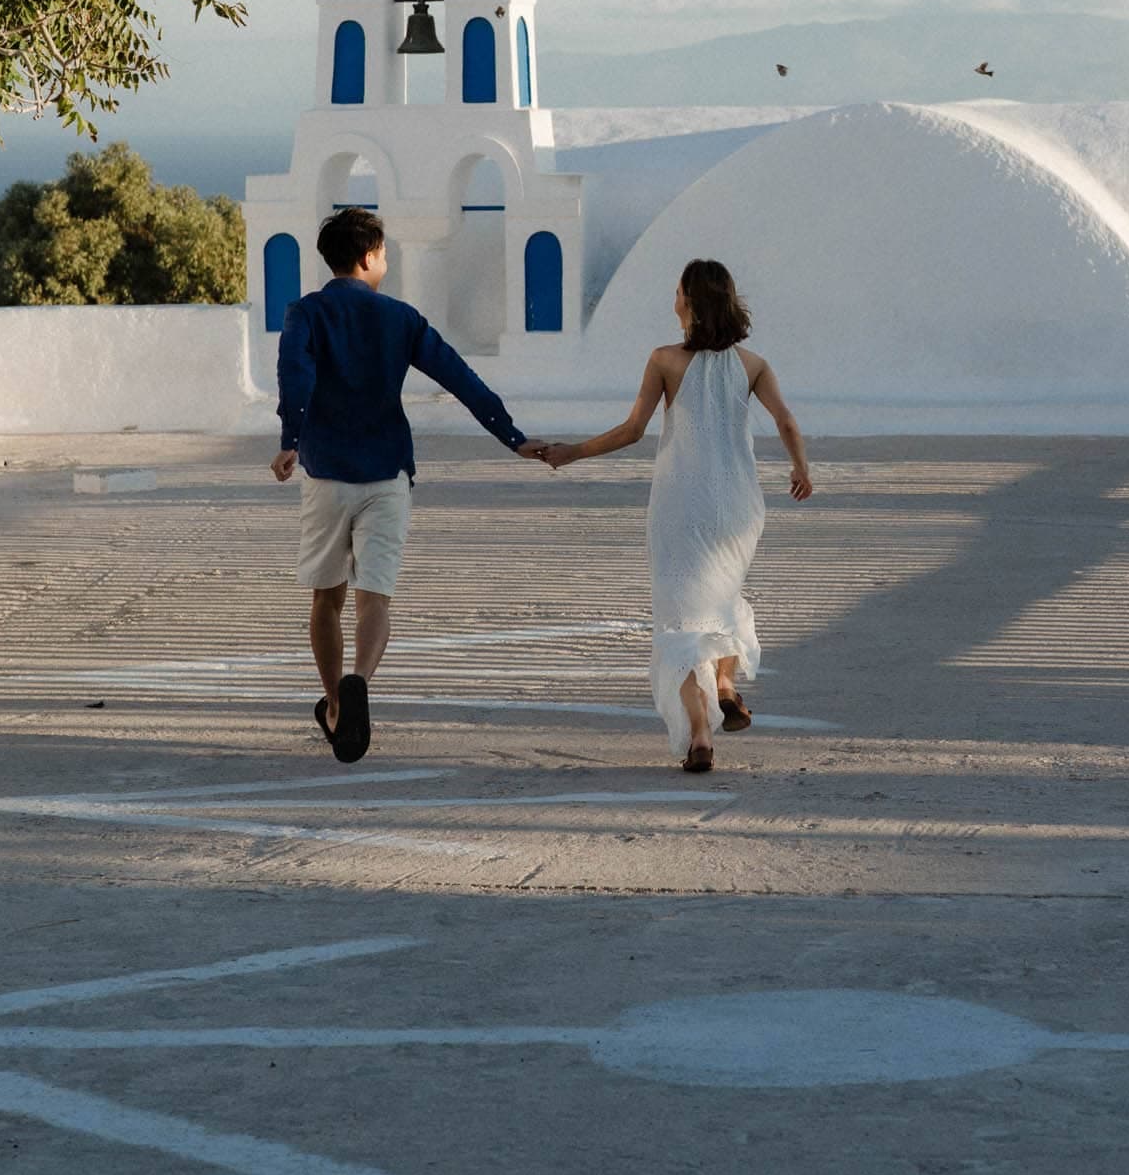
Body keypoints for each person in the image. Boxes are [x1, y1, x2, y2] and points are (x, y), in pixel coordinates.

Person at [272, 206, 549, 762]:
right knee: (376, 597)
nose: (387, 262)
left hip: (326, 472)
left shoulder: (306, 313)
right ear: (370, 256)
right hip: (388, 474)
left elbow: (295, 374)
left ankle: (332, 704)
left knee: (326, 599)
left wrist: (290, 437)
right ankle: (360, 683)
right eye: (385, 254)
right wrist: (510, 436)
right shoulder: (401, 318)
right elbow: (459, 377)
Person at [535, 257, 812, 772]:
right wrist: (801, 470)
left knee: (680, 617)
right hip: (737, 503)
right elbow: (787, 421)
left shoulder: (664, 360)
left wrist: (573, 452)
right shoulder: (753, 365)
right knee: (723, 599)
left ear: (688, 300)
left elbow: (632, 430)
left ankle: (701, 736)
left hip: (682, 503)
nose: (673, 295)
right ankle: (725, 684)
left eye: (677, 288)